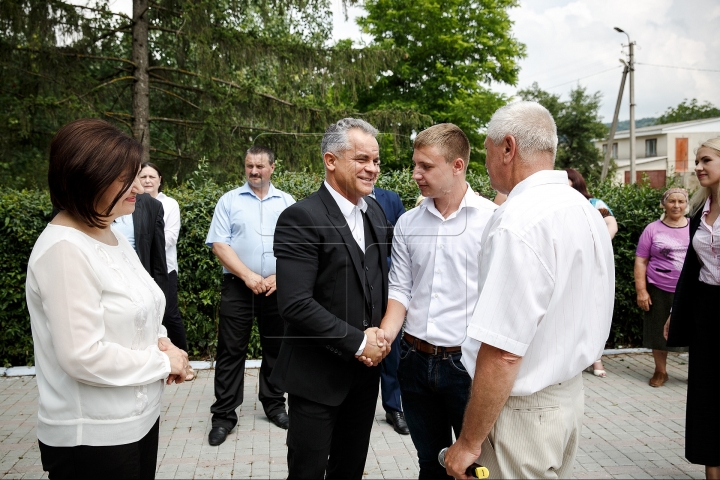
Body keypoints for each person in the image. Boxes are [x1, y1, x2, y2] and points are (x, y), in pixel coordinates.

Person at [444, 101, 615, 479]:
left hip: (522, 413)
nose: (484, 163)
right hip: (567, 398)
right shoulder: (582, 207)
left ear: (508, 147)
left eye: (486, 151)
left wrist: (469, 442)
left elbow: (504, 351)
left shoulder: (518, 221)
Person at [26, 119, 189, 479]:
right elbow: (82, 355)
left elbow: (142, 304)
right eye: (124, 178)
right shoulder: (64, 249)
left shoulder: (108, 232)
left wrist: (162, 342)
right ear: (88, 178)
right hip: (93, 438)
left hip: (136, 423)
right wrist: (163, 364)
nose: (137, 186)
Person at [271, 118, 392, 480]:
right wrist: (358, 341)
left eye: (376, 160)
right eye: (362, 159)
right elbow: (294, 303)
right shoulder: (301, 217)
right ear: (331, 160)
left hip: (365, 378)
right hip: (317, 378)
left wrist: (382, 338)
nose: (372, 169)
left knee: (350, 469)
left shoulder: (376, 214)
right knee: (307, 473)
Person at [378, 123, 497, 479]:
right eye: (415, 164)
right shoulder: (407, 224)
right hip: (413, 363)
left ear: (457, 166)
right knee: (429, 464)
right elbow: (400, 288)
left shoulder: (493, 221)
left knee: (469, 469)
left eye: (426, 166)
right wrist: (384, 337)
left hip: (468, 367)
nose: (416, 174)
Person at [205, 146, 295, 445]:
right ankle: (223, 416)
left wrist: (279, 276)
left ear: (272, 167)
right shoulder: (228, 201)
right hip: (238, 287)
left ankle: (273, 405)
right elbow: (219, 244)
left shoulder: (287, 202)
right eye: (249, 166)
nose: (254, 171)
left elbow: (299, 248)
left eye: (259, 166)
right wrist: (248, 276)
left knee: (276, 350)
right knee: (231, 351)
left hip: (276, 287)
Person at [665, 137, 720, 479]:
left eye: (706, 161)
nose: (698, 167)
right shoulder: (702, 209)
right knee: (706, 396)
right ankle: (712, 472)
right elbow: (692, 268)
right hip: (707, 314)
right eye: (697, 161)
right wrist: (677, 311)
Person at [140, 162, 194, 381]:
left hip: (165, 268)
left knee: (170, 314)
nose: (147, 181)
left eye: (152, 176)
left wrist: (144, 244)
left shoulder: (169, 204)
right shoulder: (132, 202)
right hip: (139, 267)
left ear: (160, 180)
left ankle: (184, 363)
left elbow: (170, 237)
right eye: (143, 176)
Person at [634, 188, 690, 387]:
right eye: (672, 201)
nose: (676, 206)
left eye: (681, 201)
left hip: (689, 291)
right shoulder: (652, 229)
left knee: (694, 332)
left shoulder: (695, 227)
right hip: (659, 288)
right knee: (658, 332)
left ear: (686, 204)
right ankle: (661, 371)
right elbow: (641, 260)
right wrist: (642, 290)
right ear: (663, 204)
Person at [566, 166, 617, 377]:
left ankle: (596, 359)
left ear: (576, 183)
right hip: (568, 266)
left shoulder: (594, 204)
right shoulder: (557, 205)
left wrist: (594, 244)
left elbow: (611, 224)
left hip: (593, 265)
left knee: (593, 308)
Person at [371, 185, 410, 435]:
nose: (371, 168)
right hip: (351, 288)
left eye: (375, 162)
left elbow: (401, 244)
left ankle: (394, 407)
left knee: (391, 348)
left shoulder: (391, 198)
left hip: (387, 287)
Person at [112, 183, 170, 300]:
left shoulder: (151, 205)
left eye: (137, 175)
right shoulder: (84, 206)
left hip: (138, 289)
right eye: (127, 178)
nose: (139, 188)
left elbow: (158, 261)